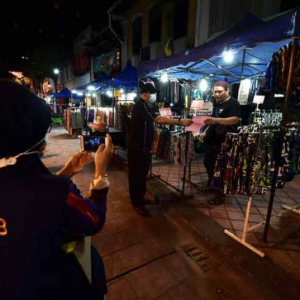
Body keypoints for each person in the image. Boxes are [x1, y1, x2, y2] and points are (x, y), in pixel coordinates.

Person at [0, 80, 112, 300]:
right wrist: (101, 174)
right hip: (53, 287)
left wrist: (66, 172)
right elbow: (93, 220)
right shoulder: (56, 191)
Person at [128, 79, 193, 216]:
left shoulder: (147, 105)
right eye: (153, 93)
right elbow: (158, 119)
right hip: (137, 148)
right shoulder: (141, 105)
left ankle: (140, 198)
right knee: (136, 176)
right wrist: (180, 122)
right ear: (145, 94)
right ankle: (137, 203)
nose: (155, 96)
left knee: (142, 174)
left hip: (144, 147)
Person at [197, 81, 241, 205]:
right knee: (208, 164)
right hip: (212, 140)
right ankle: (212, 184)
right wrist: (205, 131)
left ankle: (220, 194)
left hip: (224, 141)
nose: (217, 94)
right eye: (215, 91)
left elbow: (235, 119)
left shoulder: (233, 103)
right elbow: (212, 121)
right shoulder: (216, 103)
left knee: (220, 168)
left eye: (220, 91)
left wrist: (217, 120)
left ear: (227, 91)